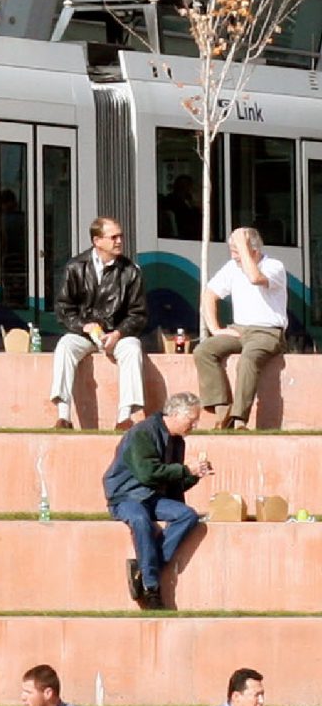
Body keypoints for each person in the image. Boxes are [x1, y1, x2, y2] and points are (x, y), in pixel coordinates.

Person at [102, 391, 213, 610]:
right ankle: (152, 589)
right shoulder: (142, 433)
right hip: (126, 496)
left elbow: (172, 482)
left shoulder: (177, 441)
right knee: (141, 520)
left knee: (187, 515)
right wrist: (184, 469)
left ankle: (145, 567)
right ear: (176, 415)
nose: (194, 426)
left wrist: (193, 475)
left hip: (153, 497)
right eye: (192, 420)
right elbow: (147, 473)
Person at [50, 216, 148, 430]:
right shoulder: (75, 267)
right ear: (97, 240)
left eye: (120, 236)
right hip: (85, 334)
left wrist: (118, 334)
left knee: (133, 348)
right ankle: (63, 416)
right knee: (65, 346)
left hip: (116, 335)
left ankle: (125, 418)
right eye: (113, 237)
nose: (120, 241)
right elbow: (63, 308)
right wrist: (82, 326)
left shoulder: (131, 271)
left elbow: (138, 314)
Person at [194, 227, 288, 430]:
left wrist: (243, 246)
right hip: (239, 329)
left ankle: (239, 419)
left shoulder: (274, 266)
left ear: (252, 250)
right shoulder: (231, 267)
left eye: (236, 250)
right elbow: (209, 293)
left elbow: (255, 278)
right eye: (232, 250)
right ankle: (222, 411)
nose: (233, 255)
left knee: (248, 359)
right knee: (204, 351)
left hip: (268, 331)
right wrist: (215, 328)